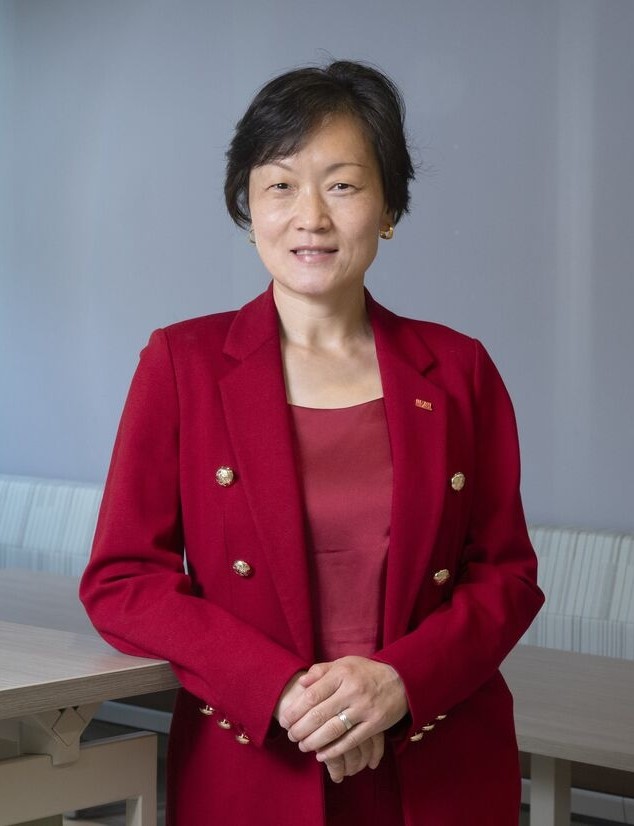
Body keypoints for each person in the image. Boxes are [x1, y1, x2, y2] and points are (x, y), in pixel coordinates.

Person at [79, 59, 544, 826]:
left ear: (389, 206)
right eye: (281, 185)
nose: (311, 217)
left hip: (438, 765)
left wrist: (398, 682)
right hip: (257, 760)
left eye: (344, 185)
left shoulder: (459, 369)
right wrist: (281, 689)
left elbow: (505, 574)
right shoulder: (181, 364)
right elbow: (123, 579)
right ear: (247, 206)